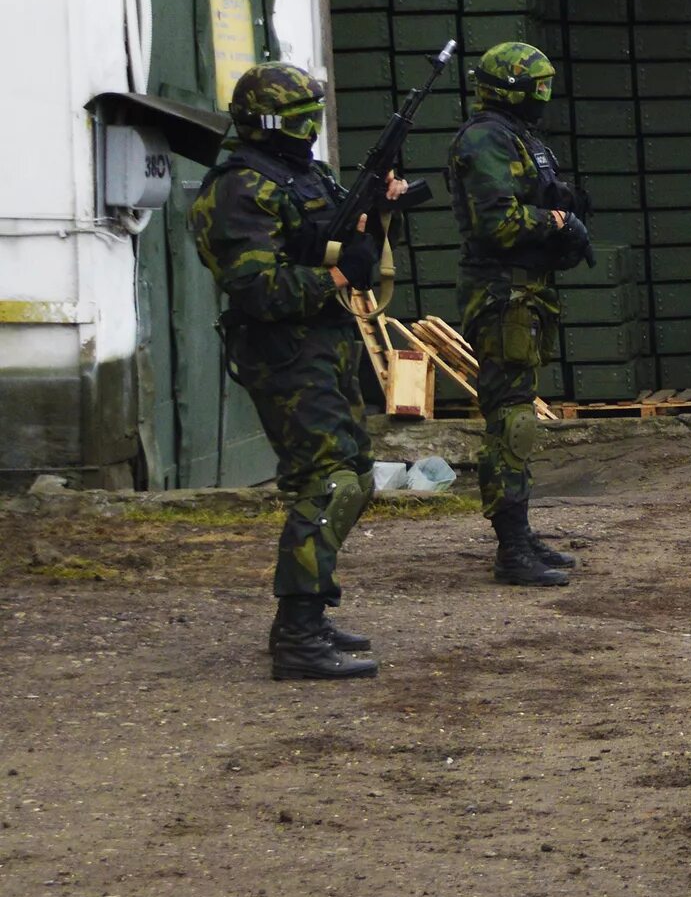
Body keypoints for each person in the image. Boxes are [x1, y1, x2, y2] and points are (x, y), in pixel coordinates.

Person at [186, 61, 406, 679]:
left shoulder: (305, 173)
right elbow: (258, 288)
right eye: (302, 118)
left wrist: (380, 212)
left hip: (327, 343)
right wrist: (339, 274)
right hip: (283, 353)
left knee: (354, 476)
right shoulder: (238, 189)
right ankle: (300, 637)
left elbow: (340, 238)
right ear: (269, 122)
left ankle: (304, 619)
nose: (312, 129)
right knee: (327, 481)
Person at [448, 40, 589, 588]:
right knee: (511, 419)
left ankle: (520, 531)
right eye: (537, 86)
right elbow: (497, 222)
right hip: (502, 292)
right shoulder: (484, 139)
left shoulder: (518, 137)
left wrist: (566, 209)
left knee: (519, 414)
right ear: (510, 89)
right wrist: (555, 223)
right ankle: (511, 547)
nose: (544, 97)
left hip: (527, 290)